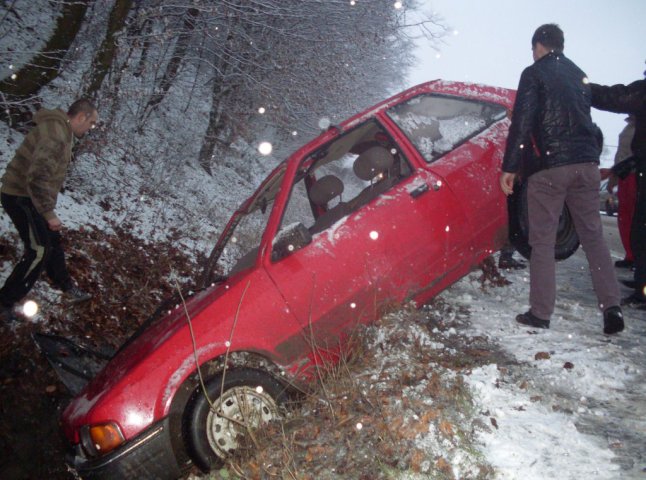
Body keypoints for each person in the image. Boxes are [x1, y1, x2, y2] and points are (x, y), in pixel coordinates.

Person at [499, 24, 624, 334]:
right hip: (587, 165)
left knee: (542, 240)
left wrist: (510, 167)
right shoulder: (578, 74)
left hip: (551, 168)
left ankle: (540, 313)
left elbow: (524, 121)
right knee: (594, 238)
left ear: (539, 45)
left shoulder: (535, 72)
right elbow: (586, 121)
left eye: (533, 48)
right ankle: (612, 308)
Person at [0, 98, 98, 323]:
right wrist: (48, 213)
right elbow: (36, 178)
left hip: (29, 197)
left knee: (52, 240)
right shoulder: (56, 135)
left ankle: (65, 285)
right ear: (80, 117)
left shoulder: (61, 130)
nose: (91, 128)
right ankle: (5, 301)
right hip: (20, 197)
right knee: (39, 250)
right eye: (91, 122)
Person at [590, 66, 646, 309]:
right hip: (636, 168)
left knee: (641, 228)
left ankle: (643, 288)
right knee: (637, 226)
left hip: (639, 170)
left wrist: (580, 87)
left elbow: (615, 97)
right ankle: (642, 281)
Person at [608, 116, 637, 269]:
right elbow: (620, 154)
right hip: (624, 175)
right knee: (625, 216)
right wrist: (614, 175)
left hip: (636, 175)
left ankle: (637, 258)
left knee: (635, 217)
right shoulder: (629, 126)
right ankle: (631, 255)